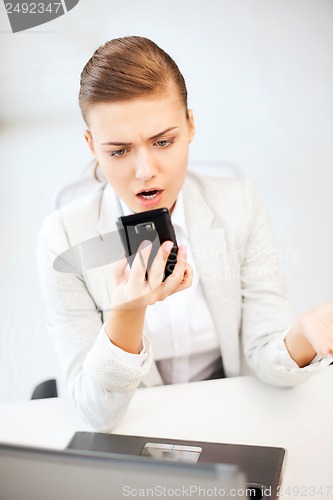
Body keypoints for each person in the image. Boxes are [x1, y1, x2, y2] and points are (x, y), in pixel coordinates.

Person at [37, 36, 333, 431]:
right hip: (137, 425)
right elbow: (95, 414)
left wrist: (305, 333)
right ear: (92, 146)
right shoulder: (63, 239)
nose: (145, 171)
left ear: (190, 125)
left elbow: (266, 351)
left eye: (163, 141)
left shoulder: (239, 204)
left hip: (230, 415)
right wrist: (127, 313)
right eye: (119, 151)